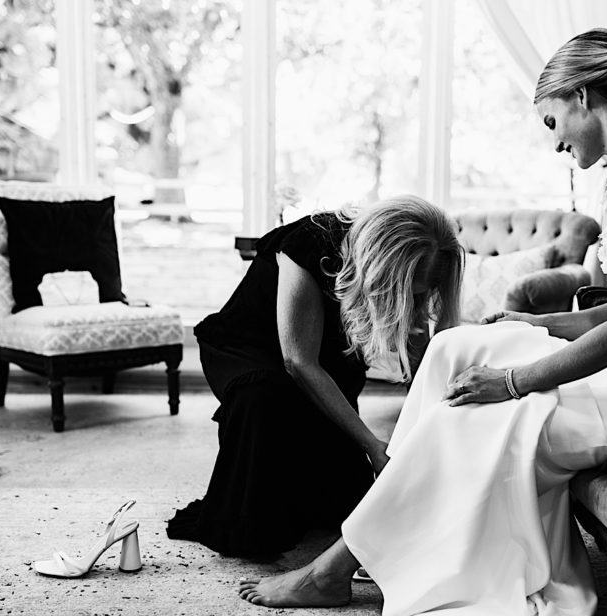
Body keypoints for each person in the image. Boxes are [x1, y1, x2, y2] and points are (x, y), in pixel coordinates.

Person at [238, 27, 607, 616]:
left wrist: (515, 380)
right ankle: (377, 543)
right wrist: (540, 320)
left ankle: (337, 565)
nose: (555, 139)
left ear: (582, 97)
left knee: (476, 408)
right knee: (453, 346)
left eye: (553, 119)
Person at [167, 195, 463, 559]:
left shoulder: (427, 261)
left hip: (329, 355)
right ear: (377, 266)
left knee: (343, 503)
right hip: (251, 349)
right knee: (265, 399)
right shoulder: (310, 242)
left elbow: (420, 346)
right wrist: (372, 445)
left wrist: (423, 429)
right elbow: (298, 361)